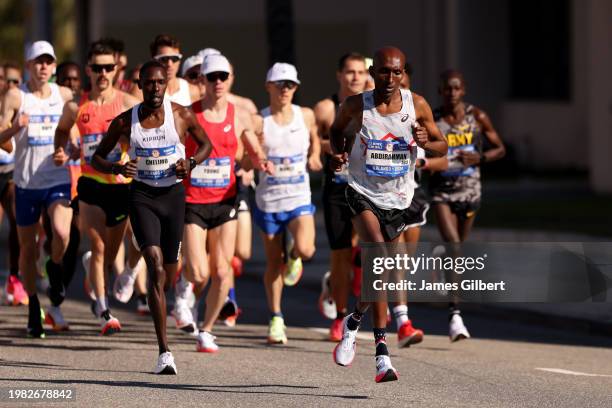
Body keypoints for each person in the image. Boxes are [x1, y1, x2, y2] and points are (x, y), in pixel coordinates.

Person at [329, 46, 447, 382]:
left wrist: (427, 140)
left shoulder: (416, 104)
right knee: (379, 259)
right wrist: (338, 154)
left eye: (397, 72)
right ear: (373, 71)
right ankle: (382, 355)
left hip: (399, 199)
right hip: (362, 193)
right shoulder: (357, 105)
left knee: (381, 271)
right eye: (384, 72)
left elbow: (442, 147)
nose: (391, 79)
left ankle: (353, 320)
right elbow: (336, 131)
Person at [92, 60, 212, 374]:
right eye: (149, 83)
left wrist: (191, 163)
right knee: (156, 267)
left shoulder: (181, 115)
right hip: (142, 196)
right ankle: (164, 353)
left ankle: (137, 275)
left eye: (160, 83)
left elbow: (206, 145)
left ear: (165, 84)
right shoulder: (125, 122)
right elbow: (97, 157)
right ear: (140, 85)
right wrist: (117, 168)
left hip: (172, 197)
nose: (155, 88)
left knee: (169, 277)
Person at [180, 54, 270, 351]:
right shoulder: (188, 114)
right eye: (212, 77)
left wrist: (258, 161)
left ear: (229, 79)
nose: (218, 82)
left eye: (223, 76)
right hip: (193, 201)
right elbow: (171, 146)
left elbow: (252, 151)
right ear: (202, 81)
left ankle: (206, 330)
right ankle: (186, 290)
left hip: (225, 201)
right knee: (198, 272)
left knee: (222, 270)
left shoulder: (240, 114)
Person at [54, 41, 141, 335]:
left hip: (120, 186)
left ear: (116, 69)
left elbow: (146, 135)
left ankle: (112, 275)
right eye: (97, 68)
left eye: (108, 67)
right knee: (99, 246)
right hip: (90, 184)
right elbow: (62, 130)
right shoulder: (78, 106)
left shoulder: (129, 103)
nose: (103, 73)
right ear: (88, 70)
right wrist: (60, 148)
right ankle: (105, 310)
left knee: (114, 250)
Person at [0, 41, 74, 337]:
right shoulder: (16, 96)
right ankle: (33, 304)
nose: (43, 67)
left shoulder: (65, 95)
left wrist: (68, 153)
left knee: (62, 232)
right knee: (27, 250)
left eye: (48, 62)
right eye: (37, 62)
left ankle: (55, 265)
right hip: (26, 182)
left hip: (57, 178)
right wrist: (15, 129)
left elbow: (74, 135)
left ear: (54, 67)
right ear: (29, 65)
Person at [429, 69, 505, 341]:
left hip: (470, 190)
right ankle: (455, 315)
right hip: (442, 191)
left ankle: (444, 271)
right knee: (454, 245)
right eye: (446, 88)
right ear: (440, 91)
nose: (451, 93)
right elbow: (422, 148)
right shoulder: (433, 119)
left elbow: (500, 148)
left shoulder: (477, 116)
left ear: (463, 90)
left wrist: (480, 158)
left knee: (456, 251)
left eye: (456, 88)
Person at [253, 62, 322, 344]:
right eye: (280, 84)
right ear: (268, 86)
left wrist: (315, 155)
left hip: (298, 196)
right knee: (273, 263)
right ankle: (276, 318)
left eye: (290, 85)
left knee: (306, 248)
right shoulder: (260, 120)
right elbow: (248, 152)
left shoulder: (305, 116)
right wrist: (254, 162)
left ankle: (294, 255)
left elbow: (315, 139)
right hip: (269, 200)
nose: (285, 90)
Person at [313, 52, 368, 341]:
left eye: (360, 72)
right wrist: (331, 148)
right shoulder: (325, 107)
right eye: (350, 72)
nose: (355, 77)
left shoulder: (372, 106)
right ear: (339, 75)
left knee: (363, 249)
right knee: (340, 255)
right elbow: (312, 139)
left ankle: (352, 277)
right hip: (336, 187)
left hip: (367, 188)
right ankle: (340, 316)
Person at [150, 34, 199, 106]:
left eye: (174, 58)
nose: (170, 64)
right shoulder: (143, 92)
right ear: (153, 61)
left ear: (179, 61)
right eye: (164, 59)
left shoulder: (193, 91)